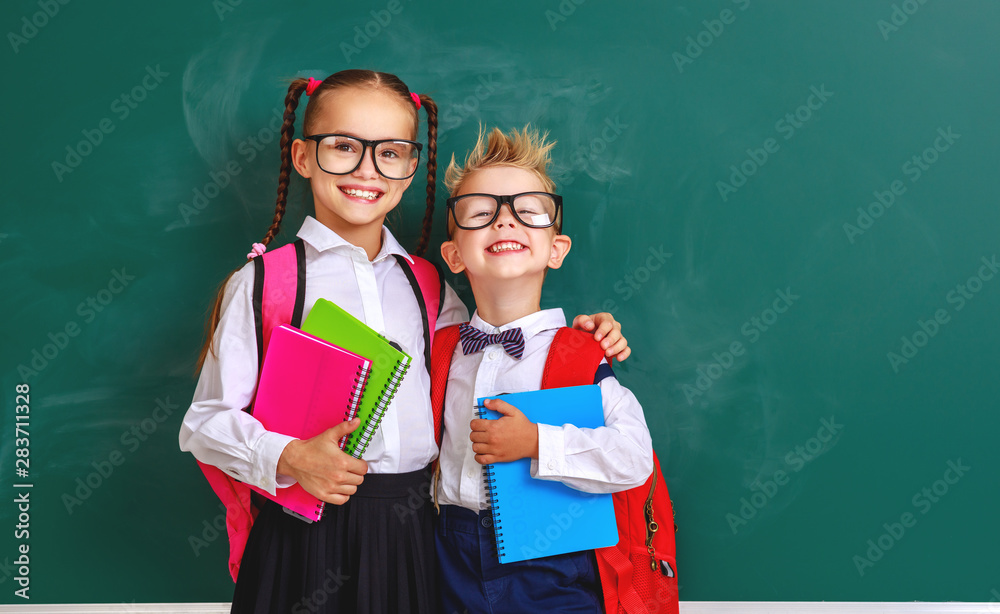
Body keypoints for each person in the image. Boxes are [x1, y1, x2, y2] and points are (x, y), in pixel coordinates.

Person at [178, 70, 629, 614]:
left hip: (414, 530)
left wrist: (582, 335)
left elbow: (492, 345)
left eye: (389, 152)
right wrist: (292, 455)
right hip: (305, 526)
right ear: (302, 156)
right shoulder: (264, 283)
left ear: (411, 167)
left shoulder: (430, 286)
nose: (366, 169)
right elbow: (203, 423)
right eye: (343, 146)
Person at [433, 126, 654, 613]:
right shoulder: (439, 349)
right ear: (452, 255)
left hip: (553, 562)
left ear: (556, 249)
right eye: (481, 213)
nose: (505, 222)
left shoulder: (584, 353)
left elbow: (634, 458)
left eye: (527, 212)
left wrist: (537, 443)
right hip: (447, 559)